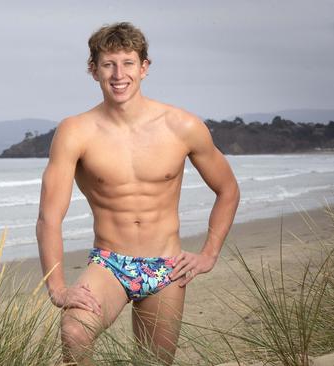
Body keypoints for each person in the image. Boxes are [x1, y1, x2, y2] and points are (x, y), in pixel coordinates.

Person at [35, 22, 240, 365]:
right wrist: (57, 288)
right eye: (108, 64)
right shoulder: (76, 132)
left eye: (128, 63)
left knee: (153, 362)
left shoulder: (182, 126)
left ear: (144, 67)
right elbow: (49, 217)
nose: (119, 74)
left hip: (166, 269)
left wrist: (209, 253)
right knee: (73, 332)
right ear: (93, 69)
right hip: (110, 264)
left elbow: (228, 189)